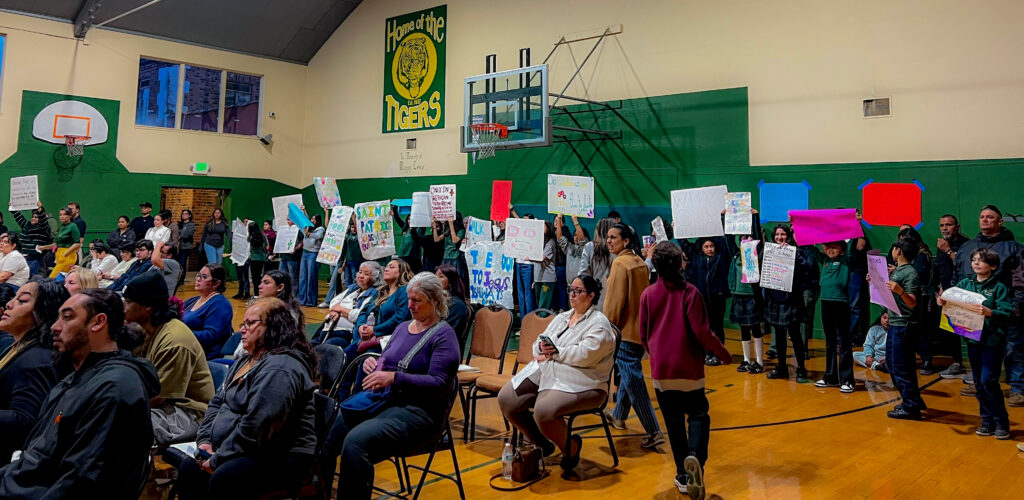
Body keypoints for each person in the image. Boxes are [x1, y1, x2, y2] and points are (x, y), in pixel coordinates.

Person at [0, 288, 160, 498]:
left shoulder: (115, 387)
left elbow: (81, 482)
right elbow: (36, 456)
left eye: (67, 317)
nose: (55, 327)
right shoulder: (75, 378)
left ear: (97, 322)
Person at [319, 272, 460, 499]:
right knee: (328, 431)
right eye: (410, 299)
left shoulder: (444, 335)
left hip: (420, 413)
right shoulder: (403, 327)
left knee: (356, 443)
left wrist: (394, 378)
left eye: (417, 301)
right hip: (386, 401)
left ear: (435, 301)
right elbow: (387, 361)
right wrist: (373, 365)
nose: (411, 305)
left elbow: (440, 383)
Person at [176, 298, 317, 499]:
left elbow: (257, 426)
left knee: (224, 477)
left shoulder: (281, 367)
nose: (242, 329)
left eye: (250, 323)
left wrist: (220, 457)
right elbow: (218, 402)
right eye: (243, 323)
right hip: (241, 447)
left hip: (280, 454)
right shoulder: (246, 359)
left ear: (274, 327)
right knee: (190, 466)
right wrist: (205, 440)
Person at [640, 242, 731, 498]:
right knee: (699, 415)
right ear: (680, 263)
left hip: (662, 372)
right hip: (688, 368)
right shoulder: (691, 293)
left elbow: (643, 334)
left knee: (674, 424)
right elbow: (702, 331)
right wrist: (722, 354)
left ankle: (682, 475)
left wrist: (657, 355)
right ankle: (695, 458)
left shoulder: (648, 295)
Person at [498, 275, 616, 471]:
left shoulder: (599, 323)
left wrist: (556, 353)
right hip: (550, 371)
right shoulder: (563, 317)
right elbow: (540, 342)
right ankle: (543, 444)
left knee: (544, 411)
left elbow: (585, 355)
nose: (572, 294)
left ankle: (570, 447)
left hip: (586, 381)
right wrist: (541, 348)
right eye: (571, 289)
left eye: (578, 291)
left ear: (591, 296)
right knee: (507, 399)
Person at [124, 271, 215, 446]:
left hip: (190, 413)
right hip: (164, 405)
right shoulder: (144, 330)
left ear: (147, 307)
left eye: (128, 302)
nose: (124, 308)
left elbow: (157, 397)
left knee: (121, 425)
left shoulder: (174, 341)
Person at [938, 248, 1014, 439]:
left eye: (981, 260)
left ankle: (1001, 422)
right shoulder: (965, 283)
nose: (976, 263)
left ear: (993, 266)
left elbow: (1008, 314)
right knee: (979, 382)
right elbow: (952, 301)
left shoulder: (999, 287)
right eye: (974, 260)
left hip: (992, 342)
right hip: (973, 340)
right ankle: (986, 420)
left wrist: (990, 312)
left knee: (989, 380)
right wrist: (942, 301)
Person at [952, 205, 1024, 406]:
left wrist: (1016, 305)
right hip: (972, 312)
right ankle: (978, 383)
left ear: (1000, 221)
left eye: (990, 217)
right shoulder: (967, 247)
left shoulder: (1014, 248)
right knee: (976, 349)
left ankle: (1017, 387)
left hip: (1003, 309)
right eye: (982, 216)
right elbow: (958, 275)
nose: (985, 220)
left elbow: (1020, 281)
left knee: (1013, 349)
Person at [603, 223, 664, 449]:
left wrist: (607, 327)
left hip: (625, 332)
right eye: (608, 237)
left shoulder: (620, 263)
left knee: (634, 381)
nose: (609, 241)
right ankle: (619, 415)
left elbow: (614, 302)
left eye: (613, 237)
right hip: (640, 330)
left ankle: (654, 430)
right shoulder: (639, 262)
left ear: (626, 241)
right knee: (630, 376)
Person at [0, 279, 69, 466]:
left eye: (22, 300)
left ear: (42, 313)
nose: (9, 303)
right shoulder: (18, 346)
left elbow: (24, 419)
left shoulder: (38, 360)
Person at [874, 238, 925, 419]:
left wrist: (900, 291)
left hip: (903, 325)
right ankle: (914, 399)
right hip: (896, 324)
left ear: (899, 252)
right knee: (896, 364)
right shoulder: (899, 271)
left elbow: (912, 302)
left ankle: (911, 406)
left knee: (901, 366)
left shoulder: (910, 274)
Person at [810, 238, 866, 393]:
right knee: (830, 341)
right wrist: (796, 226)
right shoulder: (825, 260)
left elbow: (850, 247)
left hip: (841, 304)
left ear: (842, 250)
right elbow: (810, 247)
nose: (830, 249)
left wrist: (855, 227)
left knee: (844, 343)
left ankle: (848, 379)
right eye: (827, 246)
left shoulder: (845, 261)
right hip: (825, 304)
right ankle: (831, 376)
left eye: (834, 247)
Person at [763, 225, 811, 382]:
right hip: (774, 299)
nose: (779, 237)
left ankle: (801, 369)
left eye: (782, 234)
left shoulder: (796, 251)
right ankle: (782, 367)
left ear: (788, 236)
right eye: (777, 234)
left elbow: (808, 268)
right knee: (779, 335)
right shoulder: (768, 250)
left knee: (795, 336)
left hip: (791, 300)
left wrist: (793, 251)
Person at [346, 258, 414, 361]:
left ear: (402, 271)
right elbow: (364, 311)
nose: (386, 269)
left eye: (391, 267)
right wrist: (361, 325)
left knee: (365, 359)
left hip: (388, 340)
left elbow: (399, 318)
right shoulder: (381, 290)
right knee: (346, 354)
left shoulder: (404, 290)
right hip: (368, 336)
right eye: (386, 267)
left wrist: (374, 330)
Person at [935, 214, 970, 379]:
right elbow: (944, 268)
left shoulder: (967, 244)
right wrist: (942, 287)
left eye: (948, 225)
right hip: (948, 293)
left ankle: (975, 368)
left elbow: (965, 267)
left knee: (968, 330)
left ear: (957, 227)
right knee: (952, 331)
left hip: (964, 293)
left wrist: (948, 250)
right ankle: (957, 364)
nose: (944, 228)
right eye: (942, 225)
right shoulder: (941, 244)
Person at [317, 262, 382, 347]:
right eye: (360, 272)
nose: (361, 276)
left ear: (375, 278)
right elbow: (334, 302)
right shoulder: (353, 289)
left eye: (366, 274)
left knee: (327, 348)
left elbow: (359, 315)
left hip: (347, 334)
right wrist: (335, 311)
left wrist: (340, 309)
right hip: (329, 328)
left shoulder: (375, 293)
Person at [689, 237, 731, 365]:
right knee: (705, 328)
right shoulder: (697, 258)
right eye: (706, 247)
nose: (709, 249)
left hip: (718, 298)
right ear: (701, 248)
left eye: (711, 246)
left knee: (717, 327)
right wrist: (678, 227)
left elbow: (725, 241)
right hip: (702, 299)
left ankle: (718, 353)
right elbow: (684, 243)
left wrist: (722, 222)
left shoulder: (721, 258)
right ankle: (708, 352)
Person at [182, 264, 234, 359]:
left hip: (203, 356)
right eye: (198, 275)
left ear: (216, 283)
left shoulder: (220, 304)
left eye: (204, 277)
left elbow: (209, 336)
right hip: (185, 349)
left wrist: (181, 333)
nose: (198, 279)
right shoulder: (193, 300)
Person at [729, 234, 764, 374]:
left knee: (755, 328)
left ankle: (759, 361)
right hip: (739, 296)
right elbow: (728, 238)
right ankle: (746, 360)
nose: (748, 241)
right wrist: (724, 217)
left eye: (750, 238)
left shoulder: (756, 255)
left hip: (752, 296)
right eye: (745, 239)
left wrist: (755, 216)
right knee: (743, 329)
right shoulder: (736, 255)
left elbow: (757, 234)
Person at [580, 217, 617, 309]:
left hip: (595, 299)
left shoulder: (589, 247)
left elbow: (583, 274)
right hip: (615, 298)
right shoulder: (618, 249)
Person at [9, 202, 51, 276]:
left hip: (35, 258)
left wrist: (39, 210)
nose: (33, 218)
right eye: (33, 216)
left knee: (32, 278)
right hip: (22, 256)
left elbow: (43, 221)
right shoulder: (26, 225)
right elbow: (18, 217)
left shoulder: (44, 228)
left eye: (36, 217)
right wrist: (13, 207)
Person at [435, 264, 470, 346]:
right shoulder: (434, 300)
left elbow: (443, 331)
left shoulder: (457, 305)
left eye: (441, 276)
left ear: (451, 281)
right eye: (435, 276)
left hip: (445, 346)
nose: (436, 279)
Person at [298, 212, 326, 307]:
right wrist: (305, 210)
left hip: (313, 254)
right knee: (303, 277)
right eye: (311, 219)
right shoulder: (308, 227)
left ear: (318, 221)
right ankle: (302, 299)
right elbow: (305, 219)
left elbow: (318, 236)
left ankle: (311, 300)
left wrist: (309, 234)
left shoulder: (320, 229)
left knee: (311, 277)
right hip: (305, 253)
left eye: (314, 219)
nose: (312, 221)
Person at [45, 207, 81, 278]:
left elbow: (77, 243)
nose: (62, 217)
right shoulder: (62, 227)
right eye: (60, 215)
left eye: (64, 215)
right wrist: (43, 247)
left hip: (68, 256)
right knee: (61, 279)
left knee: (52, 278)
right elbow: (55, 243)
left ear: (70, 216)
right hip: (59, 255)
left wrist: (66, 253)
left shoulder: (73, 226)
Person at [276, 219, 303, 296]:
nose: (287, 221)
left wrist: (295, 248)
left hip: (292, 257)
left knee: (293, 276)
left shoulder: (297, 230)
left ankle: (294, 294)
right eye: (287, 220)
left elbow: (301, 242)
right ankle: (283, 293)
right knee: (281, 275)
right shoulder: (285, 230)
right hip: (284, 256)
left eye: (289, 220)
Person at [176, 209, 196, 286]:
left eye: (186, 214)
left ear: (189, 215)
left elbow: (186, 235)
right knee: (177, 263)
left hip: (186, 247)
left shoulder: (191, 225)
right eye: (183, 214)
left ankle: (181, 280)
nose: (184, 215)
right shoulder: (179, 224)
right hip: (178, 246)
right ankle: (177, 278)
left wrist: (179, 235)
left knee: (182, 263)